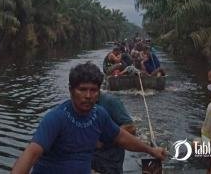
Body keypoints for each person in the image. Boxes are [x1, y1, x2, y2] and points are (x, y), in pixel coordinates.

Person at [12, 62, 166, 174]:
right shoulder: (56, 118)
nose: (88, 96)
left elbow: (122, 137)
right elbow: (31, 155)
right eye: (82, 89)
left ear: (99, 91)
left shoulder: (99, 114)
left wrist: (152, 151)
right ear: (71, 90)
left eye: (93, 90)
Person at [92, 92, 136, 174]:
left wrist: (104, 140)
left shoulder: (111, 102)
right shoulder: (76, 106)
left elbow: (131, 128)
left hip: (110, 163)